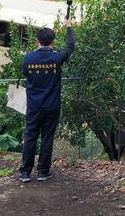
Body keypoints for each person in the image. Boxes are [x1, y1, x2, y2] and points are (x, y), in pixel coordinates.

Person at [18, 18, 75, 183]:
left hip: (34, 105)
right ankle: (43, 172)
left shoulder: (28, 59)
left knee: (30, 137)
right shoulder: (56, 58)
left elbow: (26, 75)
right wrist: (69, 27)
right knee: (47, 137)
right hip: (52, 105)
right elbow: (70, 46)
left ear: (37, 40)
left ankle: (25, 173)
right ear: (53, 41)